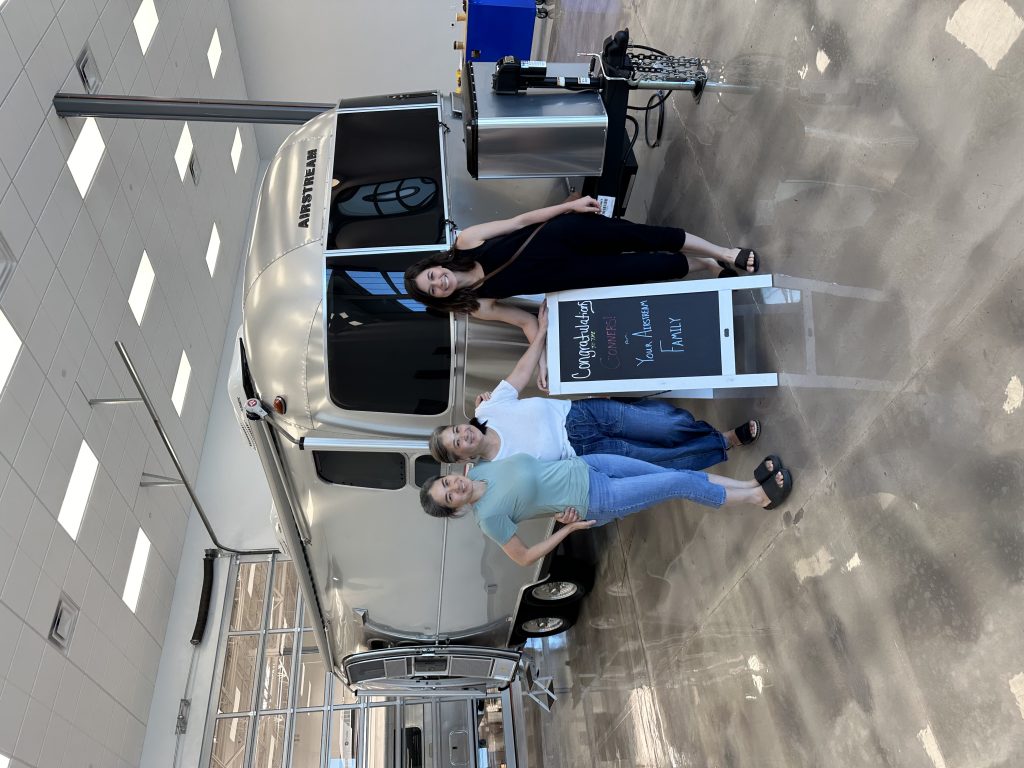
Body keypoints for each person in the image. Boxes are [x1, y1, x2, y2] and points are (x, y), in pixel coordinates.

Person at [403, 196, 760, 352]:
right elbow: (525, 322)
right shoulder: (477, 305)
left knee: (647, 236)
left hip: (568, 233)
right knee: (651, 267)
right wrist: (540, 362)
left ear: (436, 265)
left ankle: (723, 252)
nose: (438, 282)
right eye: (432, 289)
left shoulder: (466, 241)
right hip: (575, 274)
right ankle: (708, 265)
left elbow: (520, 221)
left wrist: (569, 206)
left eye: (432, 276)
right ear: (439, 299)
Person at [428, 303, 760, 470]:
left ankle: (704, 436)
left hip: (582, 414)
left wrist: (541, 331)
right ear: (461, 457)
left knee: (666, 424)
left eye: (456, 430)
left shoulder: (488, 409)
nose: (463, 435)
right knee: (657, 459)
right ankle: (723, 441)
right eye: (457, 442)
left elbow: (520, 372)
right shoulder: (498, 469)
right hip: (585, 453)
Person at [419, 453, 792, 566]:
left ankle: (748, 485)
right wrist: (567, 528)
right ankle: (759, 498)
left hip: (589, 464)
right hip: (597, 499)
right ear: (456, 510)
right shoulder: (489, 519)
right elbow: (524, 558)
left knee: (674, 474)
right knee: (676, 483)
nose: (454, 488)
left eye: (447, 483)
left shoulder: (479, 470)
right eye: (449, 497)